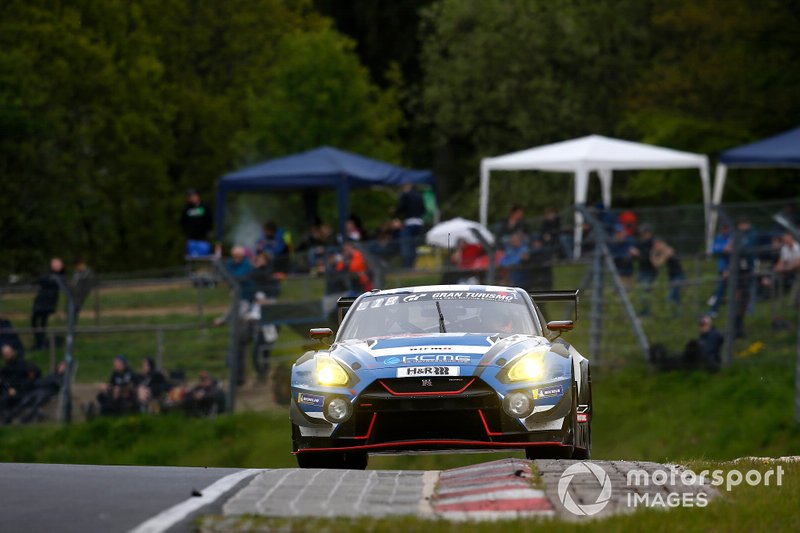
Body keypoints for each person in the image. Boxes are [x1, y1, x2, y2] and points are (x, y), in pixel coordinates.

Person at [31, 257, 65, 351]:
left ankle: (41, 343)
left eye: (57, 264)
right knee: (35, 321)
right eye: (54, 264)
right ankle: (38, 342)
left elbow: (48, 282)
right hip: (40, 302)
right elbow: (41, 280)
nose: (55, 265)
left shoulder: (60, 276)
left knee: (42, 323)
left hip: (48, 303)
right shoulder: (50, 275)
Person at [394, 183, 426, 268]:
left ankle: (407, 266)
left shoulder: (406, 195)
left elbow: (401, 207)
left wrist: (394, 211)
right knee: (414, 246)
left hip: (409, 222)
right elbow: (423, 209)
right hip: (419, 223)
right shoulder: (420, 196)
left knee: (406, 245)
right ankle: (413, 265)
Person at [650, 238, 685, 315]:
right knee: (676, 297)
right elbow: (655, 265)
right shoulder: (662, 252)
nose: (656, 247)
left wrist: (653, 253)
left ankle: (675, 314)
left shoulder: (669, 250)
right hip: (671, 276)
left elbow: (658, 263)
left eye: (658, 245)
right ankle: (678, 314)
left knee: (671, 296)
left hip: (678, 275)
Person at [630, 224, 657, 316]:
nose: (642, 235)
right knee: (642, 292)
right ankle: (644, 310)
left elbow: (648, 258)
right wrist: (633, 254)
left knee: (646, 291)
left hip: (650, 271)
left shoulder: (652, 243)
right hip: (642, 270)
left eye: (644, 233)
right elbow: (635, 258)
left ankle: (647, 312)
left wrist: (638, 254)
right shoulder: (640, 243)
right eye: (641, 233)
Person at [0, 344, 30, 420]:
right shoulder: (5, 367)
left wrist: (12, 388)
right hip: (9, 389)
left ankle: (7, 415)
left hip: (20, 389)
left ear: (12, 352)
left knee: (6, 397)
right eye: (5, 354)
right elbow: (4, 379)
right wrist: (8, 387)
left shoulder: (20, 364)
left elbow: (21, 378)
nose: (7, 355)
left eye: (8, 353)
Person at [180, 189, 214, 257]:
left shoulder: (204, 206)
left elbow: (210, 219)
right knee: (192, 255)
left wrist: (208, 230)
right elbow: (183, 222)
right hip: (192, 238)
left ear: (198, 196)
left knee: (206, 254)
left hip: (204, 237)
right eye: (190, 197)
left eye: (194, 196)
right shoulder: (186, 209)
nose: (192, 198)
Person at [707, 224, 732, 317]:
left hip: (733, 269)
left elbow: (732, 250)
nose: (723, 231)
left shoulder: (732, 237)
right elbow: (713, 249)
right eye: (722, 229)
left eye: (725, 228)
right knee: (719, 290)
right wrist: (725, 248)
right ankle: (713, 310)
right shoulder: (719, 237)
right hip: (722, 269)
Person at [608, 224, 636, 288]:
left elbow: (635, 252)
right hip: (617, 270)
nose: (620, 235)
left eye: (621, 232)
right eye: (617, 233)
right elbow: (610, 255)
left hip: (628, 269)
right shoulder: (611, 243)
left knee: (629, 288)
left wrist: (633, 253)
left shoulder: (630, 240)